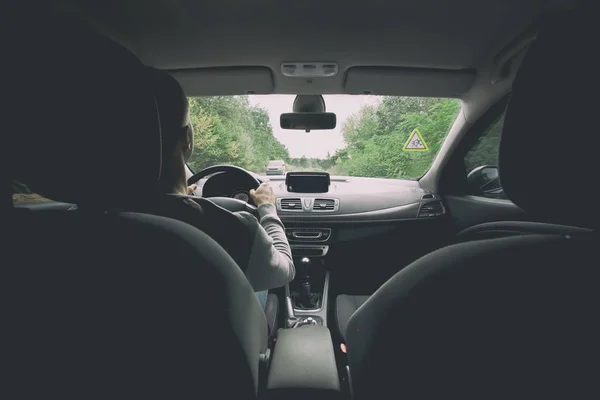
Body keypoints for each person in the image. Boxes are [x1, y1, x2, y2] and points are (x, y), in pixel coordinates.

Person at [145, 67, 295, 309]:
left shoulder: (69, 226)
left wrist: (182, 196)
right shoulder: (232, 227)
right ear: (187, 138)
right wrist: (268, 210)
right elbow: (284, 270)